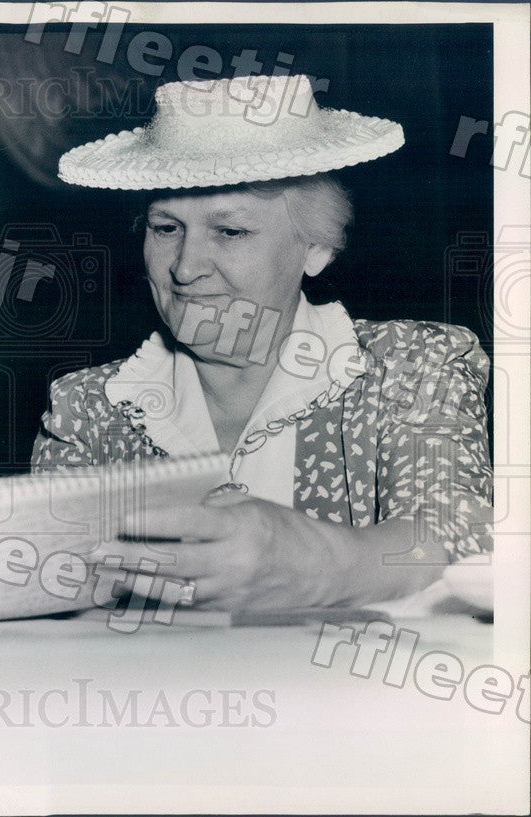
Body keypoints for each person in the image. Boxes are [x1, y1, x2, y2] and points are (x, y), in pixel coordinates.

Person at [32, 75, 493, 611]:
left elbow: (460, 530)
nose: (185, 267)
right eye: (165, 227)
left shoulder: (411, 367)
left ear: (315, 249)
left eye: (229, 232)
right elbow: (56, 588)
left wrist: (311, 559)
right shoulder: (87, 406)